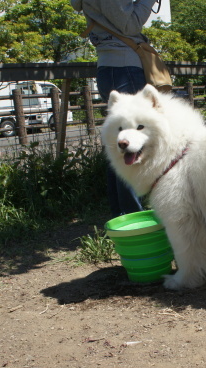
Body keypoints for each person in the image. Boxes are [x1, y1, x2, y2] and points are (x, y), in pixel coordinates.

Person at [71, 0, 159, 218]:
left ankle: (123, 214)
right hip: (124, 66)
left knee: (119, 144)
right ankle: (133, 216)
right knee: (128, 144)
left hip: (111, 65)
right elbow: (130, 26)